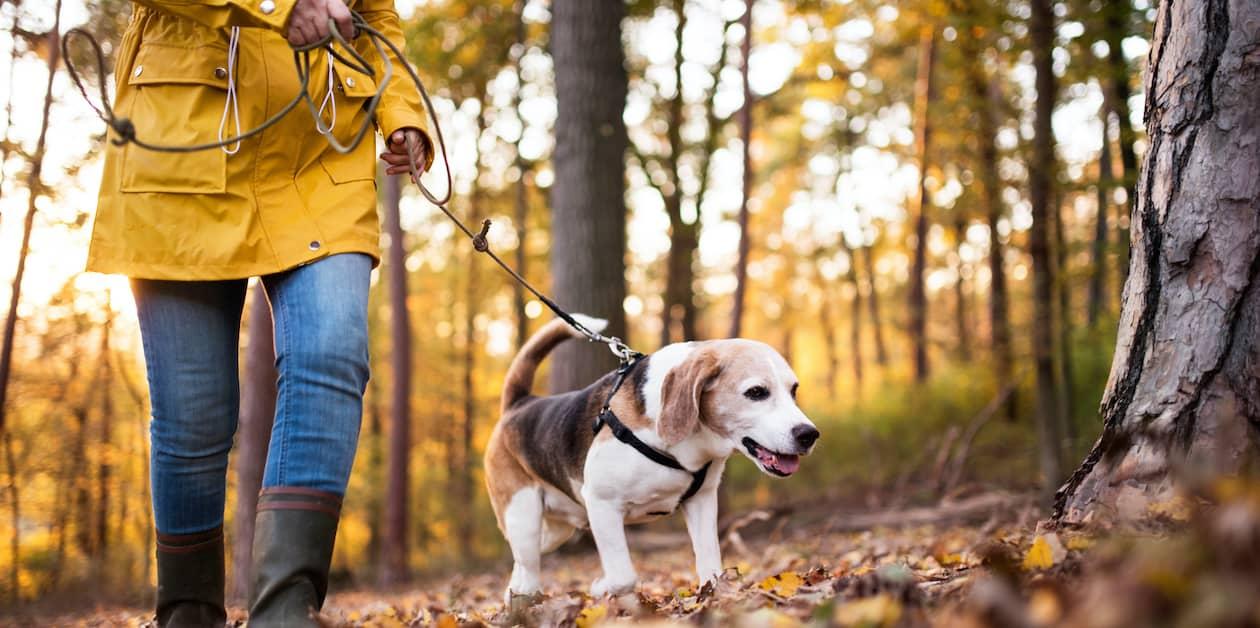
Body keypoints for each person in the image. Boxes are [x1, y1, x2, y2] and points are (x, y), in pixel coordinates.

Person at [86, 0, 432, 625]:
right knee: (193, 418)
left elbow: (376, 14)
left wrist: (402, 112)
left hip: (320, 145)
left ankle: (285, 612)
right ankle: (188, 613)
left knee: (331, 352)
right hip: (180, 142)